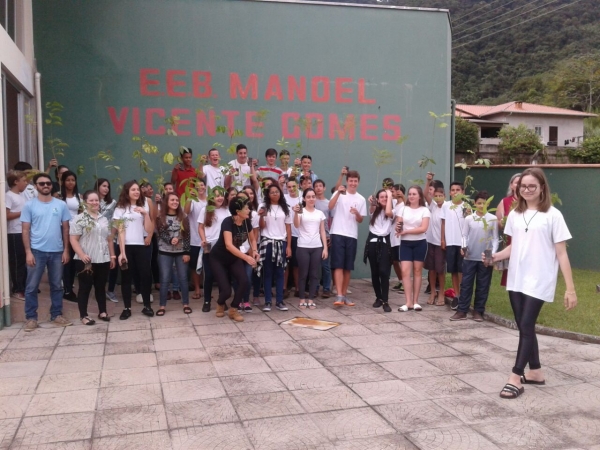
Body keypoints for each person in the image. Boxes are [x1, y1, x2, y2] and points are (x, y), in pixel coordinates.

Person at [489, 168, 576, 399]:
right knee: (524, 326)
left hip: (539, 279)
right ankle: (535, 371)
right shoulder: (515, 215)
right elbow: (514, 246)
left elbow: (562, 254)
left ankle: (515, 377)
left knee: (526, 325)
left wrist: (570, 289)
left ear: (542, 188)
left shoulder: (553, 215)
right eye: (523, 186)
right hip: (517, 277)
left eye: (531, 186)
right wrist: (495, 256)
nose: (526, 190)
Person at [20, 173, 73, 331]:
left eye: (48, 183)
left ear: (52, 185)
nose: (45, 186)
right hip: (36, 251)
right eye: (41, 183)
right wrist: (28, 252)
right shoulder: (29, 206)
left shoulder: (61, 204)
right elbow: (25, 230)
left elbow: (65, 229)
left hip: (57, 252)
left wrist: (66, 250)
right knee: (31, 286)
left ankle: (56, 314)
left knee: (57, 285)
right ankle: (31, 318)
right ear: (36, 186)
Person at [450, 191, 498, 321]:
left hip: (485, 256)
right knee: (466, 284)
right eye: (479, 203)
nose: (481, 206)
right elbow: (464, 235)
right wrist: (463, 247)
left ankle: (478, 311)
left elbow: (494, 238)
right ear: (474, 204)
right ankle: (462, 310)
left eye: (484, 203)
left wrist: (491, 254)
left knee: (483, 285)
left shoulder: (492, 219)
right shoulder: (469, 218)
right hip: (470, 255)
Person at [209, 196, 259, 322]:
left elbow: (252, 239)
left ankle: (233, 309)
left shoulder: (247, 222)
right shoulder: (227, 222)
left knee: (244, 281)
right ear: (238, 211)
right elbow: (228, 245)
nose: (249, 210)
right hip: (218, 258)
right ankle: (220, 303)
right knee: (226, 291)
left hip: (234, 257)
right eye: (246, 208)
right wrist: (247, 258)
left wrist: (254, 251)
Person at [70, 190, 115, 325]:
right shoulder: (79, 219)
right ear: (85, 203)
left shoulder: (104, 219)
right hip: (86, 259)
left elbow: (109, 239)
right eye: (91, 200)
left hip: (103, 258)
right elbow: (73, 239)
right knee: (85, 287)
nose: (95, 203)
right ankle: (83, 315)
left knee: (101, 286)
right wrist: (82, 254)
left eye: (97, 200)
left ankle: (103, 312)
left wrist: (112, 256)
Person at [113, 180, 154, 319]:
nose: (136, 192)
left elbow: (149, 230)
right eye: (133, 190)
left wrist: (145, 214)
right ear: (127, 192)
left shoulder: (144, 206)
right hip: (126, 246)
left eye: (137, 189)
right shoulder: (120, 209)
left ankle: (147, 306)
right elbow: (120, 231)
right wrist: (122, 253)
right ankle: (126, 308)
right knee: (126, 278)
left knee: (146, 276)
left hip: (141, 246)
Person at [328, 169, 367, 307]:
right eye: (351, 181)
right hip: (338, 232)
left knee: (347, 267)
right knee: (338, 265)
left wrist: (356, 213)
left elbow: (361, 219)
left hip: (352, 235)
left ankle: (344, 296)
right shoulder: (339, 193)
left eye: (355, 181)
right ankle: (338, 295)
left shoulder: (361, 199)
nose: (353, 183)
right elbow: (330, 206)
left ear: (358, 182)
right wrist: (338, 192)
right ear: (347, 181)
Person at [257, 184, 292, 311]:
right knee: (268, 273)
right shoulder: (263, 206)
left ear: (280, 193)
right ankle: (267, 302)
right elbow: (261, 226)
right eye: (272, 192)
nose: (275, 194)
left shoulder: (286, 208)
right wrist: (261, 216)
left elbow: (288, 228)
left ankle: (280, 301)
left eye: (277, 192)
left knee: (280, 272)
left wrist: (288, 246)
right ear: (268, 194)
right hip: (267, 242)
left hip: (281, 242)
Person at [395, 186, 430, 312]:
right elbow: (399, 226)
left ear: (419, 196)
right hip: (405, 244)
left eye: (414, 194)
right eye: (409, 194)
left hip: (420, 243)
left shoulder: (424, 210)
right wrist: (398, 229)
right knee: (405, 271)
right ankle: (408, 302)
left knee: (417, 271)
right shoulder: (403, 209)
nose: (411, 196)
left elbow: (423, 228)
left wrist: (406, 231)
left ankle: (415, 301)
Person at [156, 193, 191, 316]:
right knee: (165, 279)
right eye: (172, 200)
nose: (175, 202)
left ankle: (186, 304)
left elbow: (187, 235)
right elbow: (161, 232)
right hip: (165, 251)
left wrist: (187, 252)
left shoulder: (184, 216)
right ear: (167, 202)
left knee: (183, 278)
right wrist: (170, 240)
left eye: (177, 200)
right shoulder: (161, 217)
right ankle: (162, 305)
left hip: (181, 252)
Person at [293, 188, 328, 309]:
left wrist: (325, 248)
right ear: (304, 198)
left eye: (313, 196)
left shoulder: (320, 213)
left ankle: (311, 298)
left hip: (317, 246)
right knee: (303, 274)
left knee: (314, 274)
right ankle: (302, 298)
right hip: (303, 246)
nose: (311, 199)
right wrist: (296, 213)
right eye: (308, 197)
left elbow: (322, 231)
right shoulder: (301, 211)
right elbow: (296, 225)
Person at [198, 188, 230, 312]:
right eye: (217, 196)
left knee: (223, 276)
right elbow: (200, 227)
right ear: (211, 198)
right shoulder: (205, 210)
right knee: (209, 276)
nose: (220, 198)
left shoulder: (227, 210)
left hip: (223, 247)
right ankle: (207, 301)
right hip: (210, 247)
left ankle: (221, 301)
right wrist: (203, 239)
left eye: (221, 195)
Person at [366, 189, 394, 312]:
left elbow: (388, 212)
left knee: (384, 271)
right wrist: (372, 201)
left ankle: (386, 300)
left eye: (386, 197)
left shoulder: (392, 211)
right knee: (375, 271)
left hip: (384, 244)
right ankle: (379, 297)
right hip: (372, 243)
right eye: (381, 197)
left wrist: (389, 195)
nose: (384, 199)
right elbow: (372, 208)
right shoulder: (374, 211)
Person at [441, 181, 468, 308]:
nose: (455, 192)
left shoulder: (466, 206)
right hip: (450, 242)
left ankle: (463, 295)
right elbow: (443, 223)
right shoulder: (446, 206)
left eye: (458, 189)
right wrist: (443, 239)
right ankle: (456, 295)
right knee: (453, 270)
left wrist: (466, 243)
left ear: (463, 192)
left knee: (463, 270)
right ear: (450, 192)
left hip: (462, 243)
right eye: (453, 190)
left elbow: (469, 225)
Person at [424, 174, 446, 306]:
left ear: (444, 196)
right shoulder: (432, 206)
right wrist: (428, 181)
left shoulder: (447, 207)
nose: (437, 197)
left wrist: (443, 240)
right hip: (430, 242)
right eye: (435, 195)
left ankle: (441, 293)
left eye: (440, 195)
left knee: (440, 269)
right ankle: (433, 292)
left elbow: (444, 224)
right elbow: (425, 193)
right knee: (431, 269)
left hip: (440, 243)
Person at [6, 170, 29, 299]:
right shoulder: (9, 196)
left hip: (23, 232)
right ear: (16, 182)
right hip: (14, 233)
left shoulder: (21, 196)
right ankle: (17, 289)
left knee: (23, 261)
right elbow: (6, 215)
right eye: (24, 181)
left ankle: (23, 287)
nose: (26, 183)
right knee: (17, 261)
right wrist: (22, 213)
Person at [59, 170, 81, 302]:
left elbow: (81, 213)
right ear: (63, 182)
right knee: (65, 261)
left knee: (73, 261)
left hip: (75, 231)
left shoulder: (78, 196)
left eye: (73, 180)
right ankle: (66, 289)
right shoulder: (58, 197)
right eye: (68, 180)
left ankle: (69, 287)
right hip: (62, 230)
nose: (70, 182)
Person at [496, 173, 521, 287]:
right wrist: (502, 223)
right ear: (511, 185)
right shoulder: (505, 201)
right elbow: (498, 223)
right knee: (511, 276)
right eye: (517, 182)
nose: (519, 185)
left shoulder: (530, 203)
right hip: (510, 240)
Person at [184, 179, 207, 299]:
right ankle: (197, 289)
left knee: (207, 266)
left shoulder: (210, 200)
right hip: (195, 239)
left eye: (202, 185)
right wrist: (189, 198)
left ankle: (205, 289)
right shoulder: (193, 200)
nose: (200, 187)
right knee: (194, 266)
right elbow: (186, 211)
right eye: (198, 186)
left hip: (209, 239)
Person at [313, 179, 332, 298]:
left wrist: (330, 236)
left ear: (324, 188)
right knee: (315, 265)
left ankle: (326, 288)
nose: (318, 188)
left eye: (321, 186)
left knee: (325, 265)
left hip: (326, 236)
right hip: (314, 236)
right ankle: (314, 288)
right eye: (316, 186)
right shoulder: (311, 201)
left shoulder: (329, 203)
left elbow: (331, 221)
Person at [284, 178, 301, 297]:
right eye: (289, 186)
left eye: (293, 186)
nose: (291, 189)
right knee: (285, 264)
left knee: (296, 264)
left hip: (299, 235)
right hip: (286, 234)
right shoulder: (284, 198)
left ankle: (298, 288)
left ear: (298, 186)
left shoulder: (302, 198)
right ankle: (284, 288)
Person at [390, 184, 406, 292]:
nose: (391, 194)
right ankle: (401, 281)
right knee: (394, 261)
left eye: (393, 191)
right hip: (393, 238)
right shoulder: (395, 204)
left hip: (399, 239)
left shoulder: (404, 206)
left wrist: (403, 197)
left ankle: (405, 283)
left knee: (401, 262)